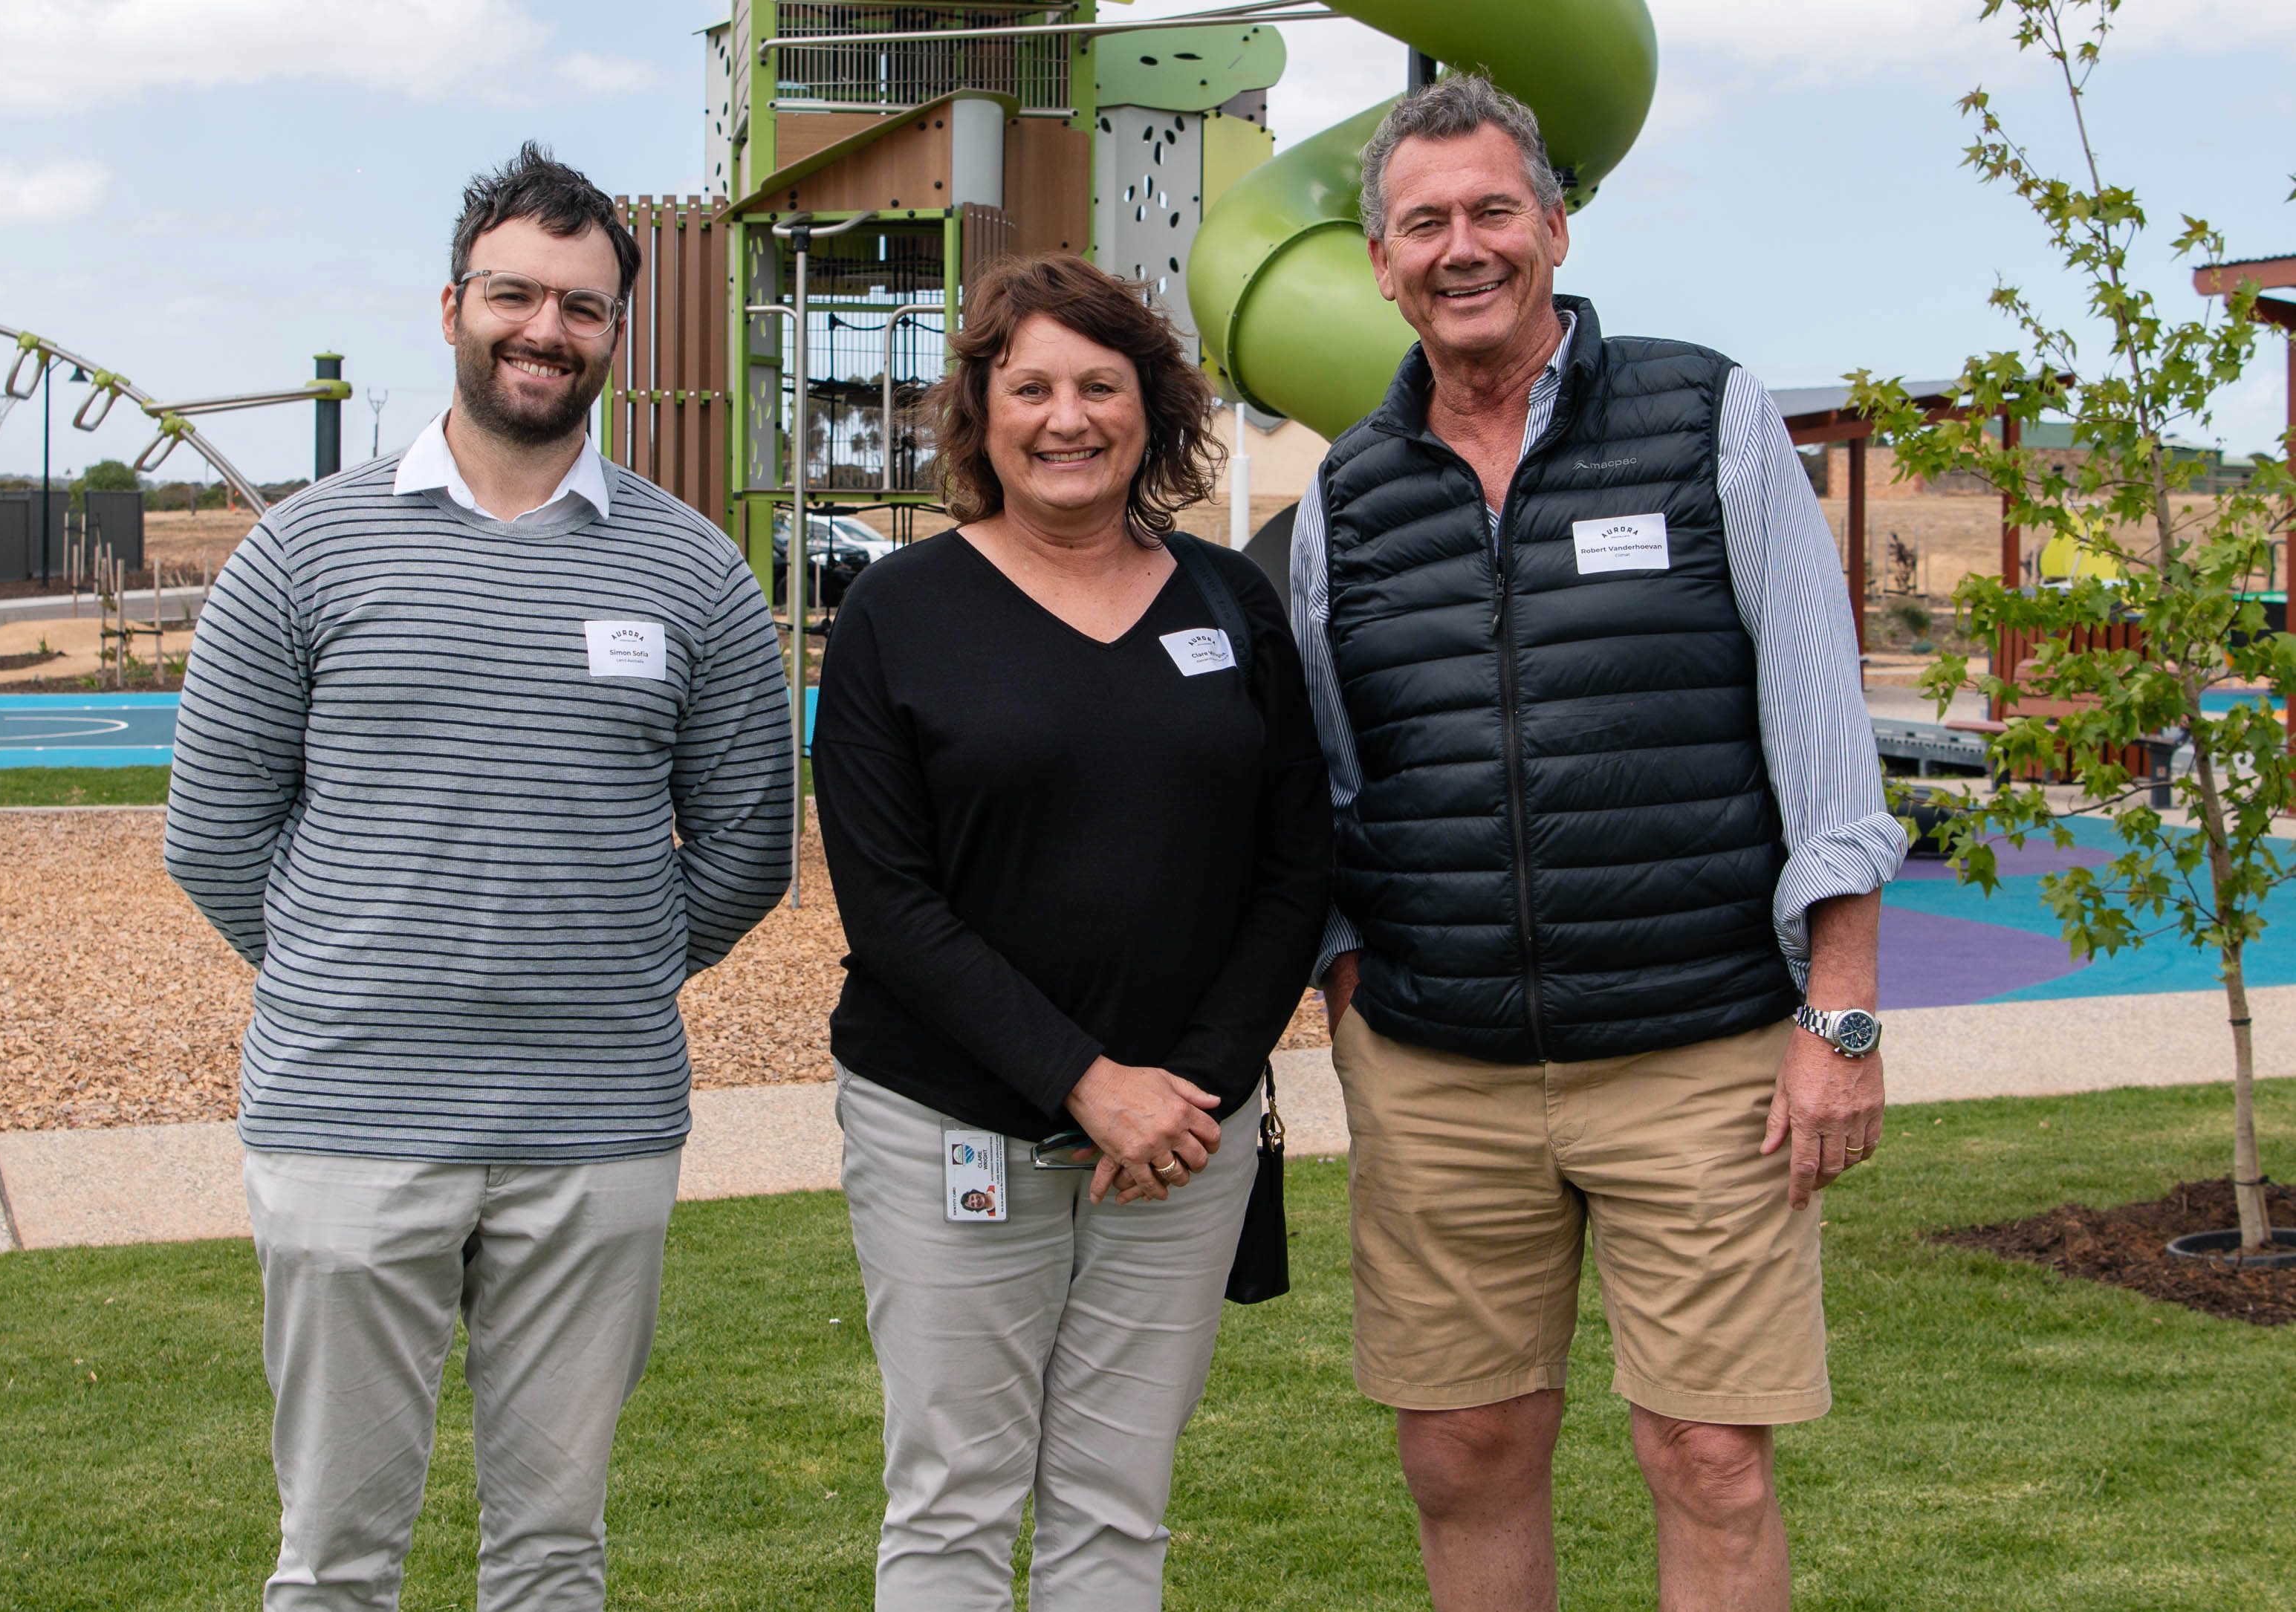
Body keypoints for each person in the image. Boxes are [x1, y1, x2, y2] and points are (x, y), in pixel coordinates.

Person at [1291, 76, 1907, 1612]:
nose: (1461, 246)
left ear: (1555, 228)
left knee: (1709, 1453)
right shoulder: (1346, 498)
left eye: (1493, 209)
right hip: (1437, 1066)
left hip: (1698, 1051)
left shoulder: (1705, 415)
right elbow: (1320, 778)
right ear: (1379, 264)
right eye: (1422, 221)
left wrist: (1838, 1016)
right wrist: (1347, 989)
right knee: (1463, 1445)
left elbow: (1820, 729)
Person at [164, 143, 794, 1612]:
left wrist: (598, 961)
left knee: (552, 1554)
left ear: (616, 334)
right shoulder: (300, 555)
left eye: (580, 305)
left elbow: (750, 850)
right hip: (346, 1121)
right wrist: (357, 965)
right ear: (451, 303)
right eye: (514, 293)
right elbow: (213, 835)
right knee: (333, 1557)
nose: (543, 329)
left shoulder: (696, 575)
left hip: (596, 1127)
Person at [811, 253, 1332, 1611]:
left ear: (1151, 411)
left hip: (1182, 1139)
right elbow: (891, 907)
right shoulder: (896, 614)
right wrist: (1087, 1082)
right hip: (952, 1123)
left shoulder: (1229, 601)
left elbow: (1294, 865)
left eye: (1100, 385)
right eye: (1029, 385)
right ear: (979, 414)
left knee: (1116, 1505)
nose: (1066, 416)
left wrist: (1194, 1081)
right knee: (952, 1499)